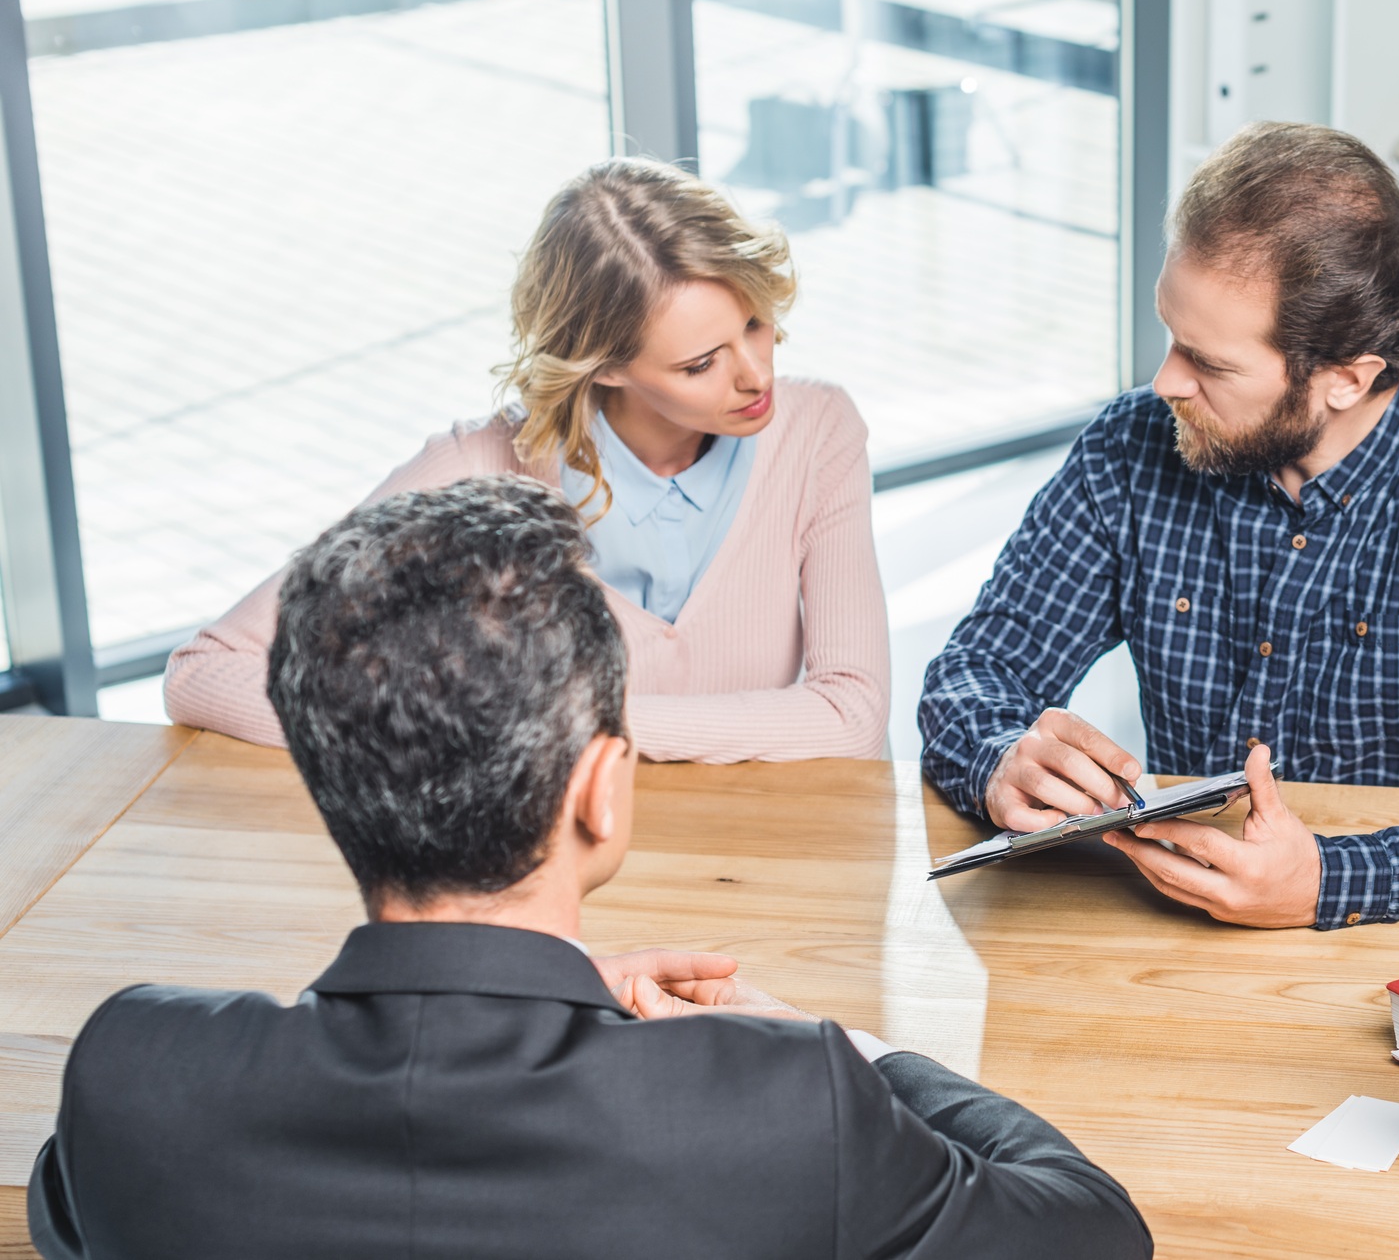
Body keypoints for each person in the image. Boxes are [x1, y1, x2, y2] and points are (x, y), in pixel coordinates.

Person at [30, 477, 1150, 1260]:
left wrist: (491, 986)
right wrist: (849, 1047)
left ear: (332, 778)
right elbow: (1092, 1226)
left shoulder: (133, 1075)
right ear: (601, 788)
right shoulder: (789, 1104)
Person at [919, 122, 1399, 931]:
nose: (1164, 380)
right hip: (1162, 931)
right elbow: (975, 670)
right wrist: (1000, 760)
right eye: (1172, 335)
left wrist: (1336, 879)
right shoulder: (1130, 447)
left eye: (1210, 363)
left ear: (1346, 378)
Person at [165, 158, 889, 763]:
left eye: (756, 325)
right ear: (604, 368)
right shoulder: (477, 468)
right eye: (700, 364)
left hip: (765, 861)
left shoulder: (816, 431)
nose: (757, 375)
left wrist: (563, 725)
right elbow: (205, 672)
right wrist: (446, 727)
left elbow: (852, 714)